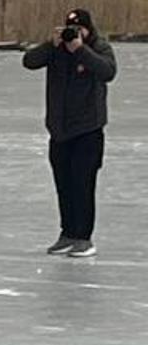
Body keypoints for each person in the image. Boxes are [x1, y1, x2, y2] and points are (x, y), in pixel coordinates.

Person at [23, 8, 116, 258]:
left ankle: (84, 238)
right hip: (60, 131)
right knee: (64, 185)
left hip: (88, 131)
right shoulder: (56, 50)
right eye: (70, 29)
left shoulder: (99, 48)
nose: (74, 34)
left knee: (83, 185)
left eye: (79, 30)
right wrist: (50, 44)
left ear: (88, 29)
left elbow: (108, 72)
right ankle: (68, 233)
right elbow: (29, 62)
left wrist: (81, 50)